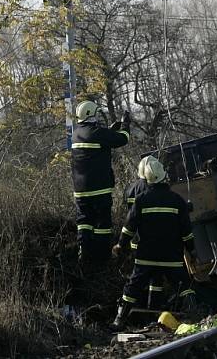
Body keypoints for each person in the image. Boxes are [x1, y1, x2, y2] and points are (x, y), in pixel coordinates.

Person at [112, 157, 197, 327]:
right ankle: (194, 315)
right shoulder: (177, 200)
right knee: (184, 285)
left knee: (133, 287)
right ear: (164, 177)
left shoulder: (141, 199)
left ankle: (119, 320)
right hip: (172, 257)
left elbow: (129, 227)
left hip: (146, 256)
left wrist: (121, 245)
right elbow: (186, 232)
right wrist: (192, 251)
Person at [71, 100, 130, 266]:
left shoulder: (76, 133)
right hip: (99, 189)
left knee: (84, 221)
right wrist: (126, 124)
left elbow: (96, 144)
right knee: (102, 223)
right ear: (91, 115)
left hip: (80, 190)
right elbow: (122, 139)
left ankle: (84, 250)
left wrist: (109, 131)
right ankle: (102, 255)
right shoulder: (97, 133)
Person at [124, 155, 162, 308]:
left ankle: (135, 308)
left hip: (136, 240)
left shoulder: (130, 189)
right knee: (155, 276)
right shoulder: (151, 188)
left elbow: (129, 216)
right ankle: (153, 307)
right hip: (152, 239)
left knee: (138, 276)